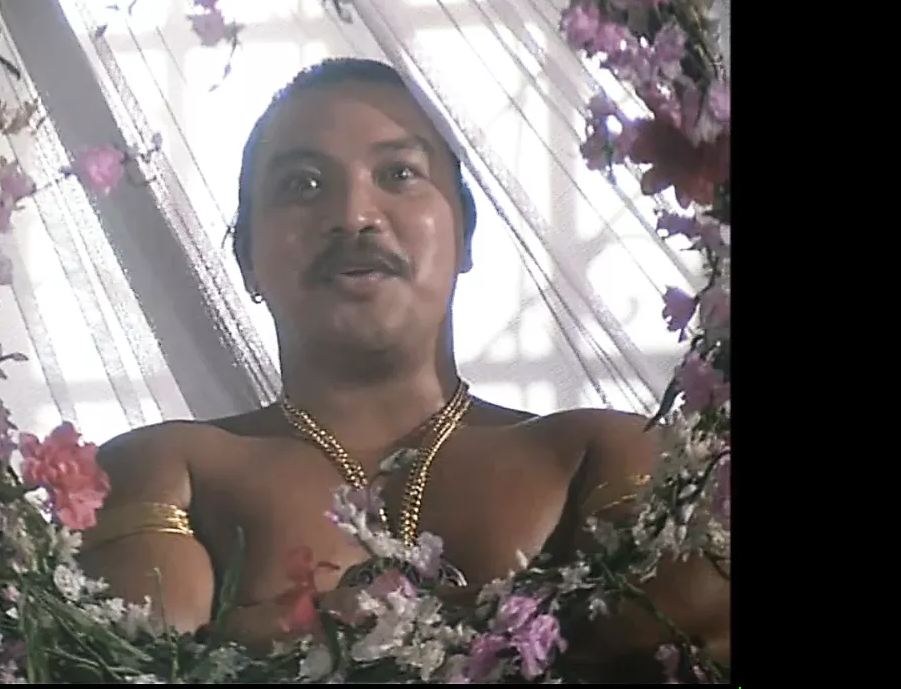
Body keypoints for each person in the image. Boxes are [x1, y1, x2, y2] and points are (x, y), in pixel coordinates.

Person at [78, 58, 729, 681]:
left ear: (466, 234)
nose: (353, 217)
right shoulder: (166, 469)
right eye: (302, 185)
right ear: (246, 258)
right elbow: (140, 663)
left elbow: (686, 620)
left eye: (399, 174)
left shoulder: (600, 453)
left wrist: (292, 628)